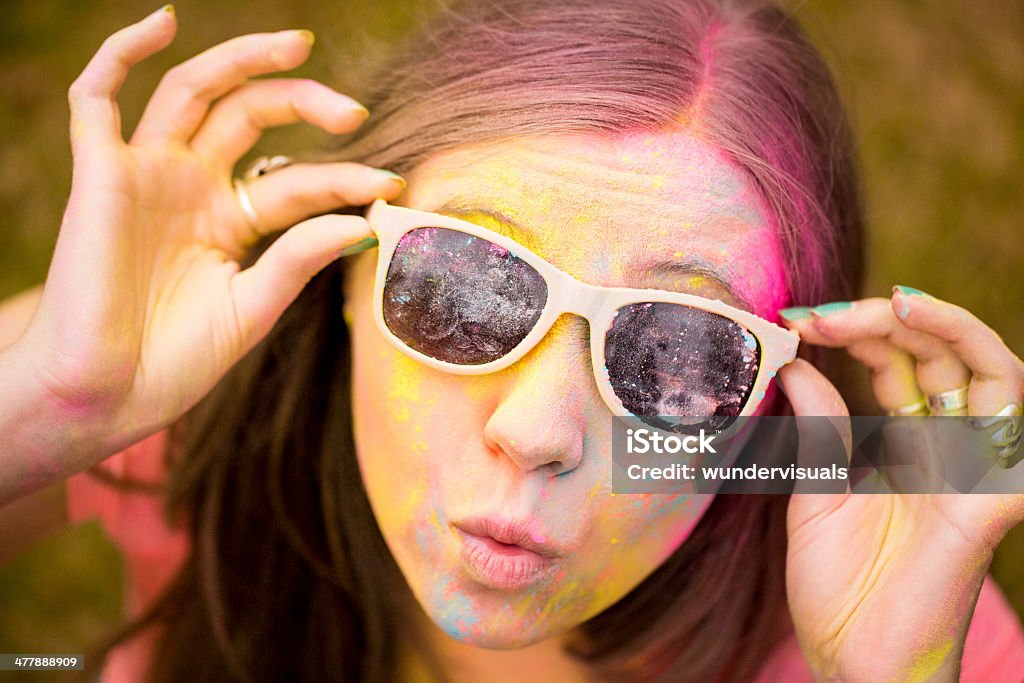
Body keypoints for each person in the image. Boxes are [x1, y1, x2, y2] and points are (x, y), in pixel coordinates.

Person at [0, 1, 1022, 681]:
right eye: (467, 287)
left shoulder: (922, 624)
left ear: (776, 407)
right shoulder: (186, 398)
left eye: (678, 350)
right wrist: (42, 414)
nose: (537, 429)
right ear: (342, 272)